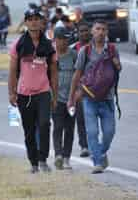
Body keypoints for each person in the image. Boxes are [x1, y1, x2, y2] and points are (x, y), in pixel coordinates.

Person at [67, 20, 121, 174]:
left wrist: (118, 65)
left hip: (108, 99)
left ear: (107, 32)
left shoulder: (112, 50)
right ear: (92, 31)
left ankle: (102, 152)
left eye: (104, 29)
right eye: (97, 29)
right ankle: (97, 162)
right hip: (89, 99)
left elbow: (116, 71)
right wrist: (71, 98)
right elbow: (77, 75)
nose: (101, 32)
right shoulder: (85, 51)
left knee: (109, 132)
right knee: (92, 132)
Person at [8, 8, 58, 174]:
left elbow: (53, 71)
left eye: (37, 18)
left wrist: (55, 95)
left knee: (44, 124)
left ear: (41, 21)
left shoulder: (48, 45)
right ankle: (34, 163)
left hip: (43, 92)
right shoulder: (19, 45)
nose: (34, 22)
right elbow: (13, 71)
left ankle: (43, 160)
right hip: (24, 95)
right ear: (26, 22)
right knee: (29, 131)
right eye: (30, 19)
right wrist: (12, 92)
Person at [52, 27, 77, 170]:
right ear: (55, 39)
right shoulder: (50, 56)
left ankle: (67, 158)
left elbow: (80, 75)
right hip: (55, 99)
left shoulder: (74, 55)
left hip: (71, 100)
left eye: (66, 39)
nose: (64, 42)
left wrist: (77, 93)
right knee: (58, 127)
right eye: (61, 39)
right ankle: (58, 156)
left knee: (69, 129)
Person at [69, 21, 91, 157]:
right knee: (81, 118)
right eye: (81, 31)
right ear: (77, 33)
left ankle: (93, 142)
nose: (83, 33)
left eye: (86, 30)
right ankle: (84, 145)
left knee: (93, 118)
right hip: (79, 90)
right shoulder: (73, 49)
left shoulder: (96, 48)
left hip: (95, 89)